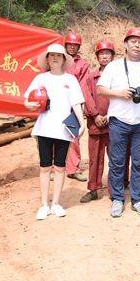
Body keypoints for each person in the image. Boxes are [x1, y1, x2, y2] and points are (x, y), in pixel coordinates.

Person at [97, 28, 140, 218]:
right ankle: (117, 198)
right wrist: (119, 93)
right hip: (119, 121)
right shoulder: (114, 67)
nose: (137, 45)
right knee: (117, 161)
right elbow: (100, 89)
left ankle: (138, 199)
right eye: (133, 42)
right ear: (125, 44)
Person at [24, 43, 86, 220]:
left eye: (59, 55)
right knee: (45, 167)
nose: (56, 58)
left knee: (60, 167)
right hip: (44, 128)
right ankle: (44, 204)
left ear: (64, 59)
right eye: (52, 55)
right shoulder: (41, 78)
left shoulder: (70, 80)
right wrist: (29, 105)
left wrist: (81, 124)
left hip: (64, 130)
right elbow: (27, 101)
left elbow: (76, 103)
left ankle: (56, 203)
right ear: (48, 59)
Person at [79, 40, 115, 203]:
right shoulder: (91, 77)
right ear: (97, 56)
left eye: (107, 53)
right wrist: (95, 115)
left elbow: (121, 98)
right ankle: (93, 188)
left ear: (112, 56)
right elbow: (86, 97)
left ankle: (115, 189)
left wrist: (109, 115)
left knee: (116, 157)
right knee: (95, 158)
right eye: (101, 53)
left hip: (114, 123)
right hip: (95, 124)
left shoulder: (118, 76)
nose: (105, 56)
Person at [63, 31, 90, 182]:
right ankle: (54, 168)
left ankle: (74, 169)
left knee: (74, 137)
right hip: (57, 105)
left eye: (75, 45)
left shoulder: (82, 65)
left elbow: (84, 86)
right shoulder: (57, 59)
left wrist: (82, 106)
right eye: (70, 44)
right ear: (65, 44)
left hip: (73, 105)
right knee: (54, 136)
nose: (72, 47)